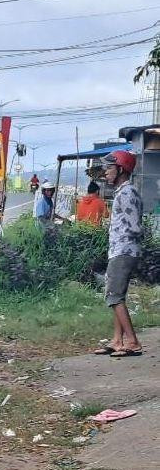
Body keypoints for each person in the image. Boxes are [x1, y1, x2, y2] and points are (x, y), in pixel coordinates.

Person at [96, 150, 145, 358]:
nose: (106, 172)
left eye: (109, 168)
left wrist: (122, 236)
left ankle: (132, 342)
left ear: (121, 169)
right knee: (118, 296)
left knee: (113, 295)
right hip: (120, 250)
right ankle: (117, 341)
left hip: (123, 250)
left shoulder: (127, 193)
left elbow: (135, 226)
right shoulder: (124, 192)